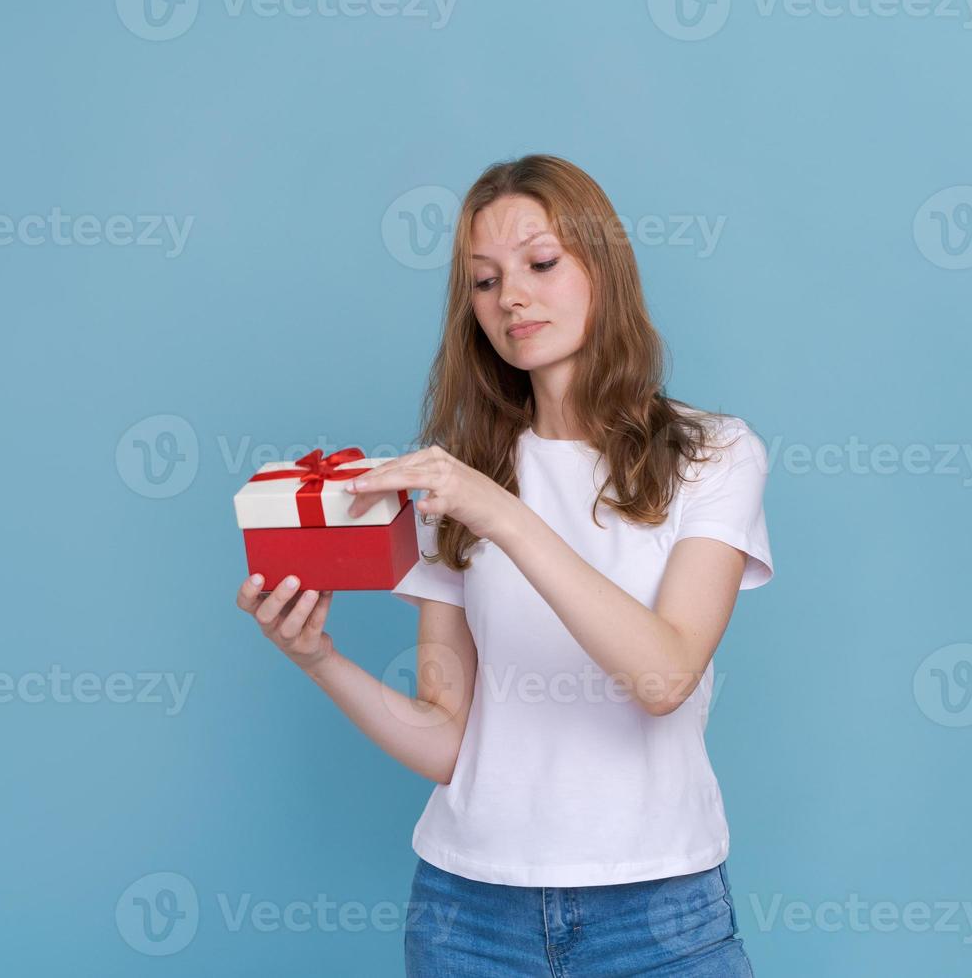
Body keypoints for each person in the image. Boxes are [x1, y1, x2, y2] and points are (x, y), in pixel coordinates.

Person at [235, 154, 773, 976]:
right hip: (470, 916)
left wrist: (500, 512)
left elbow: (664, 676)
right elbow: (450, 740)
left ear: (604, 266)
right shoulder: (460, 477)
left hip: (658, 912)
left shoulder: (712, 454)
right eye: (483, 282)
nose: (511, 296)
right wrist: (318, 660)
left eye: (541, 263)